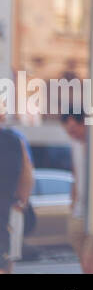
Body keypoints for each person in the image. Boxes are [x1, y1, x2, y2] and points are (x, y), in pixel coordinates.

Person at [60, 110, 93, 273]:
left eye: (73, 129)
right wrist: (73, 203)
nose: (71, 133)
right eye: (68, 130)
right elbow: (76, 174)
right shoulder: (75, 145)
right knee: (86, 262)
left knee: (89, 259)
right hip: (79, 211)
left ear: (84, 123)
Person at [0, 110, 34, 273]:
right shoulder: (14, 139)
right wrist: (22, 201)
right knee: (7, 261)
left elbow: (26, 171)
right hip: (10, 209)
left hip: (9, 210)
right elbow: (27, 172)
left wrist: (22, 201)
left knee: (6, 261)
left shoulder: (13, 140)